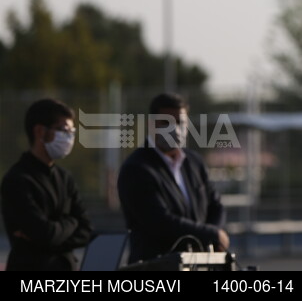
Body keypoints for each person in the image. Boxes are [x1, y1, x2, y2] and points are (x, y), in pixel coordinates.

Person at [117, 92, 228, 263]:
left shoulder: (194, 162)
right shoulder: (136, 168)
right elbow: (160, 222)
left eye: (180, 122)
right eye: (166, 122)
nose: (174, 128)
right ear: (151, 124)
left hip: (198, 264)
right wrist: (210, 234)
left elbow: (215, 204)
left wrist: (212, 237)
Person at [1, 98, 93, 271]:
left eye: (72, 132)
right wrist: (71, 221)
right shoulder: (17, 179)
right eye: (64, 130)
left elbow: (86, 229)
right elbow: (44, 233)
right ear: (39, 131)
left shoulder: (65, 178)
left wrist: (52, 235)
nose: (69, 138)